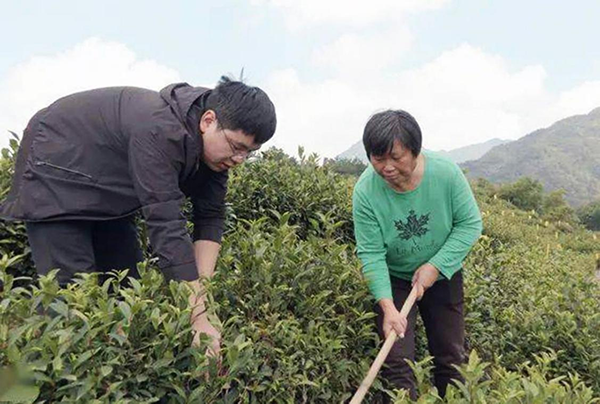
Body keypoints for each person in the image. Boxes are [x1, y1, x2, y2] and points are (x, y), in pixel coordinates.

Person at [0, 76, 277, 354]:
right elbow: (166, 224)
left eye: (249, 152)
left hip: (107, 193)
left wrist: (204, 302)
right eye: (236, 147)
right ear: (208, 121)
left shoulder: (217, 156)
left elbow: (210, 217)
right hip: (55, 169)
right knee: (72, 301)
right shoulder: (160, 129)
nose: (239, 160)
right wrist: (197, 319)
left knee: (129, 292)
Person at [352, 110, 482, 399]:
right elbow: (371, 253)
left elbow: (470, 224)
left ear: (415, 150)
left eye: (396, 158)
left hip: (443, 275)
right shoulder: (365, 191)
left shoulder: (445, 173)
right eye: (378, 158)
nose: (387, 168)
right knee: (396, 361)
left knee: (450, 355)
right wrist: (387, 307)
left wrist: (435, 266)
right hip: (395, 280)